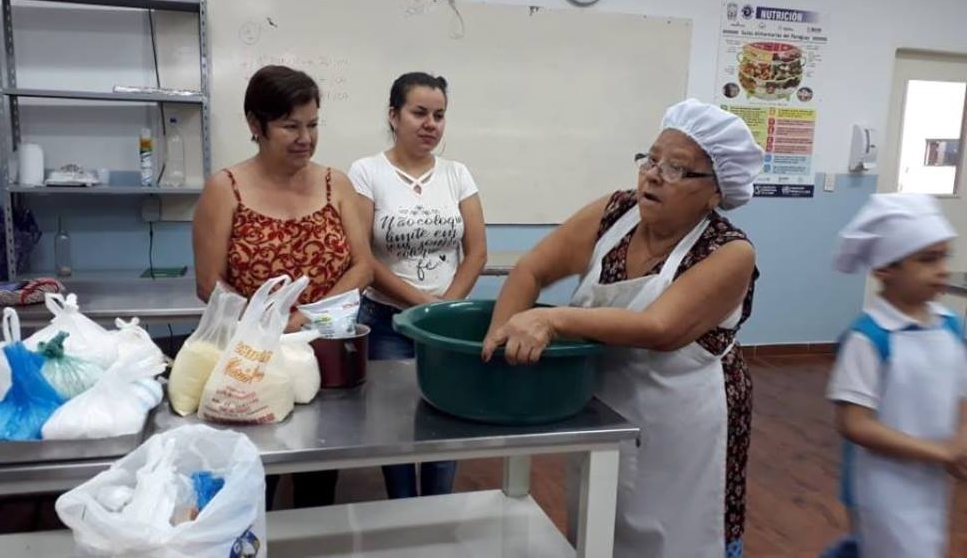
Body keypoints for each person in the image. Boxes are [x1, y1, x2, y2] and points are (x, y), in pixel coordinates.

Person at [481, 99, 764, 557]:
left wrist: (551, 318)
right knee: (600, 524)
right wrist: (499, 342)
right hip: (605, 407)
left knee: (678, 536)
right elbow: (531, 268)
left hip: (686, 422)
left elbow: (659, 327)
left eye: (677, 169)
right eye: (651, 159)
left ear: (715, 190)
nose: (653, 174)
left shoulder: (729, 252)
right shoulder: (614, 214)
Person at [192, 64, 372, 509]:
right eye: (290, 126)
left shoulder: (337, 185)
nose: (305, 138)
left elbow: (363, 266)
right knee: (253, 479)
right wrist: (268, 327)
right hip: (252, 355)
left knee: (318, 475)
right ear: (256, 124)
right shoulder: (226, 189)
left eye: (312, 125)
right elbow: (208, 283)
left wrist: (303, 318)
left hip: (323, 350)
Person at [349, 72, 487, 499]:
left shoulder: (457, 173)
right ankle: (403, 513)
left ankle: (436, 515)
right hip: (388, 324)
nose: (431, 124)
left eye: (439, 115)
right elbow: (364, 258)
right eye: (419, 113)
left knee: (446, 425)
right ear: (394, 116)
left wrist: (443, 308)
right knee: (397, 431)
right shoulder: (367, 172)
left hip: (447, 326)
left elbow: (477, 251)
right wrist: (422, 308)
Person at [825, 193, 967, 558]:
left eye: (944, 256)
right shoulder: (869, 337)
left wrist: (959, 442)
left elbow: (961, 393)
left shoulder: (951, 326)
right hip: (881, 485)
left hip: (933, 479)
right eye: (927, 259)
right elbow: (855, 424)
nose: (942, 270)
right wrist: (938, 451)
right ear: (885, 268)